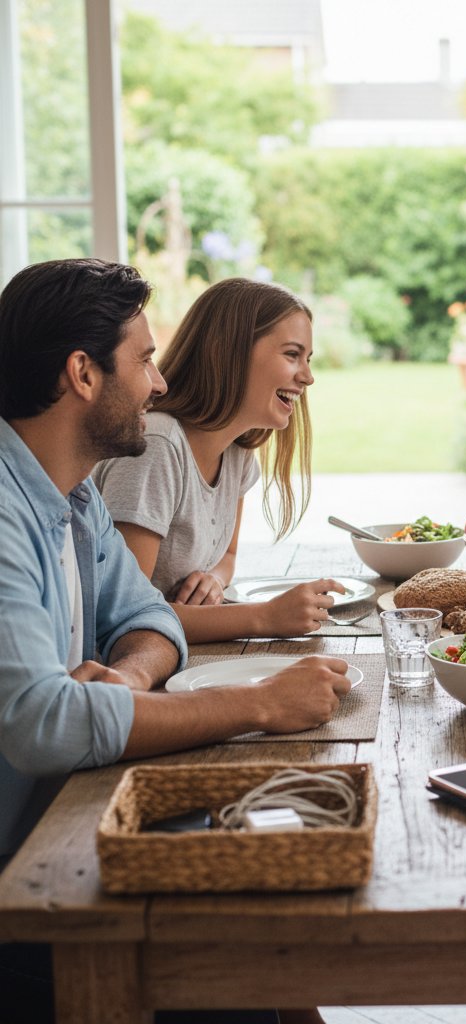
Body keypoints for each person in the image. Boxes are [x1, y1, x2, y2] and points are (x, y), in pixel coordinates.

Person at [0, 259, 353, 1024]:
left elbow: (153, 620)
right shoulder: (5, 512)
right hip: (21, 885)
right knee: (259, 959)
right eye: (146, 361)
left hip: (68, 815)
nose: (160, 385)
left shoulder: (72, 495)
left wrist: (127, 679)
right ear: (83, 373)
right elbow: (44, 722)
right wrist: (257, 702)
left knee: (278, 898)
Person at [94, 278, 345, 643]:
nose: (307, 376)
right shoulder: (159, 446)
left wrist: (214, 579)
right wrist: (265, 617)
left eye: (307, 359)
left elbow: (227, 556)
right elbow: (125, 614)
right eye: (292, 355)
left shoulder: (237, 451)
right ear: (228, 352)